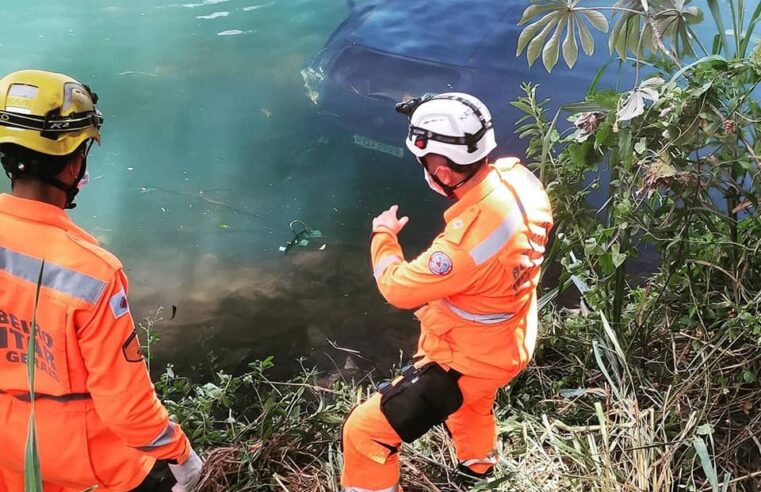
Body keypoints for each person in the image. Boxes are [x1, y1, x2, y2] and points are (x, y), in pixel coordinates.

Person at [0, 69, 203, 492]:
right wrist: (180, 453)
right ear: (75, 160)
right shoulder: (92, 274)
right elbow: (127, 408)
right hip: (85, 463)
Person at [341, 93, 554, 490]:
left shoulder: (462, 247)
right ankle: (477, 472)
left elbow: (396, 288)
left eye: (424, 162)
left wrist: (383, 236)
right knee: (470, 408)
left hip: (467, 360)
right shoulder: (520, 181)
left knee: (365, 433)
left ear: (440, 168)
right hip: (511, 340)